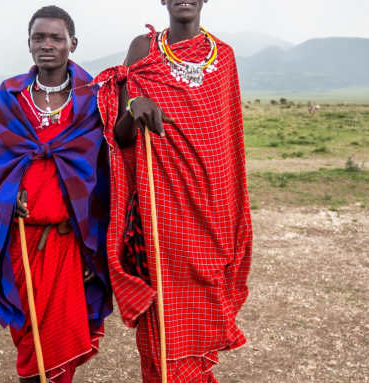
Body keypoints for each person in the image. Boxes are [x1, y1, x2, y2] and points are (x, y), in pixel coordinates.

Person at [93, 0, 253, 381]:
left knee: (200, 320)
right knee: (162, 332)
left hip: (211, 216)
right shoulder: (143, 50)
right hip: (159, 211)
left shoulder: (224, 58)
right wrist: (134, 108)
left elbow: (228, 146)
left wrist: (229, 215)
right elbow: (119, 136)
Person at [0, 6, 111, 383]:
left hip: (71, 242)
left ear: (73, 43)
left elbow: (102, 175)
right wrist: (10, 195)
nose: (47, 45)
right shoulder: (10, 96)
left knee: (59, 344)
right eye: (39, 37)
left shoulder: (92, 99)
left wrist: (92, 247)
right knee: (28, 338)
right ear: (29, 44)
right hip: (21, 239)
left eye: (56, 37)